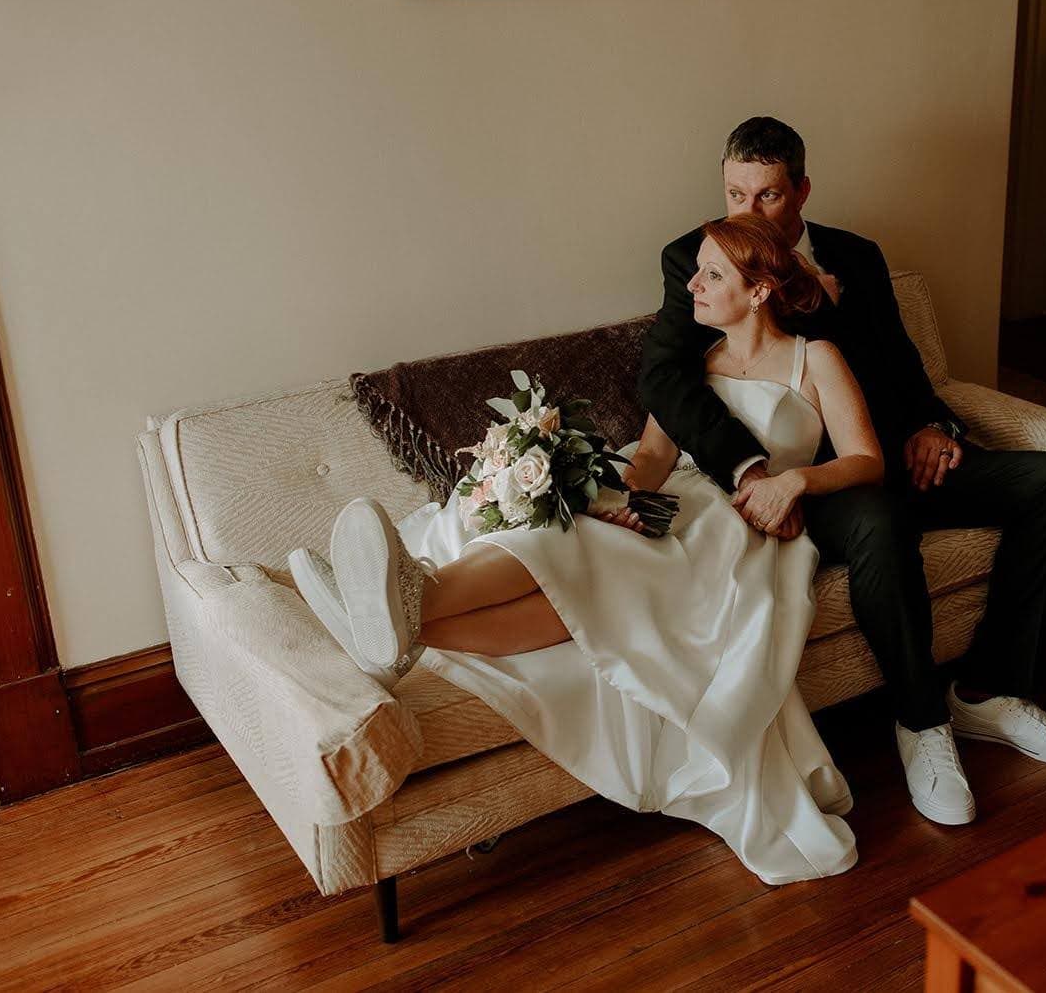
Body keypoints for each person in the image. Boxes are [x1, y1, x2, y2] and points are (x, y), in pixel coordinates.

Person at [289, 213, 879, 886]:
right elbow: (652, 459)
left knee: (589, 573)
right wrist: (614, 502)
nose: (693, 285)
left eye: (713, 274)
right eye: (697, 271)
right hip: (672, 502)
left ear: (759, 291)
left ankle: (403, 605)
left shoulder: (815, 360)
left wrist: (798, 480)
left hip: (739, 526)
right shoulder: (693, 369)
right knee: (569, 541)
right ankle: (409, 610)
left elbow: (866, 459)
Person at [638, 116, 1046, 827]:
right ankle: (922, 723)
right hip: (809, 482)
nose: (747, 212)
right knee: (879, 521)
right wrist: (752, 471)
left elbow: (900, 364)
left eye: (767, 196)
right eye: (735, 194)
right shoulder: (697, 258)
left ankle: (988, 692)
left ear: (801, 192)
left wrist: (935, 427)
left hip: (885, 454)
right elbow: (667, 377)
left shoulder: (857, 255)